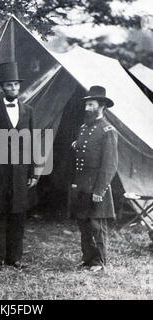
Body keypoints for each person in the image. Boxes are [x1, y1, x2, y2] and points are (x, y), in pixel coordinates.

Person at [0, 62, 38, 269]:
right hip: (0, 171)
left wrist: (33, 171)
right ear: (1, 88)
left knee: (18, 215)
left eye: (16, 85)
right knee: (0, 214)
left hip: (21, 172)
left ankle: (15, 258)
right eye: (9, 85)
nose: (14, 89)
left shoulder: (29, 111)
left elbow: (31, 142)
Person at [71, 85, 118, 272]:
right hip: (81, 184)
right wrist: (77, 145)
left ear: (102, 106)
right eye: (86, 105)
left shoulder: (108, 130)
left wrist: (100, 190)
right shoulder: (83, 128)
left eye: (91, 105)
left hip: (97, 185)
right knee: (83, 223)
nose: (86, 109)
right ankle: (88, 258)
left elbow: (110, 164)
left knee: (96, 224)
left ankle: (100, 261)